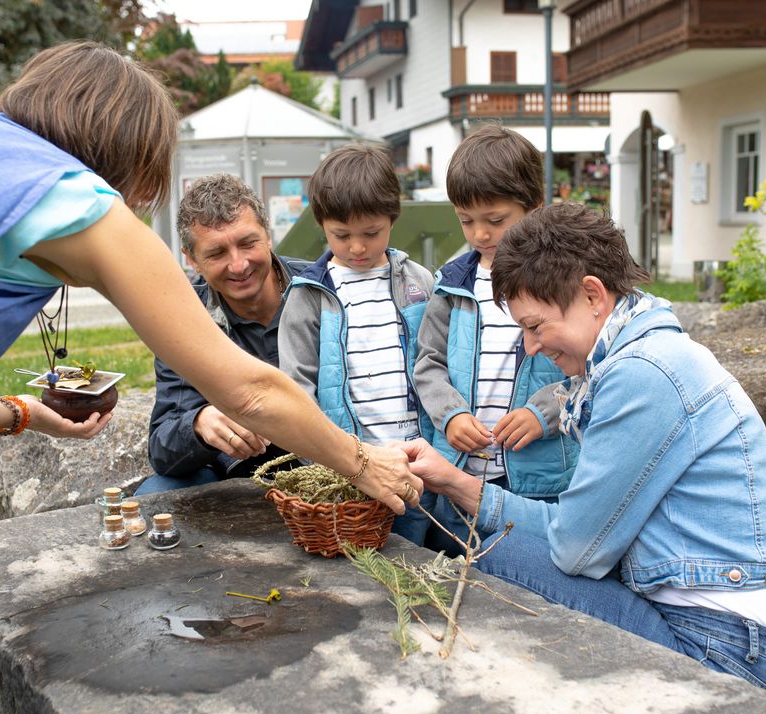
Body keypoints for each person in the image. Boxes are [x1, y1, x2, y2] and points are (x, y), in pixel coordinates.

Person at [0, 41, 421, 714]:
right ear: (128, 161)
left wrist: (15, 414)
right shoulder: (70, 193)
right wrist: (364, 463)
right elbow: (250, 389)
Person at [403, 203, 766, 702]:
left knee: (502, 557)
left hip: (733, 654)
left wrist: (461, 488)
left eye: (535, 326)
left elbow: (575, 550)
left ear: (592, 294)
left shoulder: (641, 374)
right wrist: (453, 481)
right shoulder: (645, 352)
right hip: (737, 637)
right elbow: (583, 530)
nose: (530, 347)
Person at [414, 124, 577, 554]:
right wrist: (450, 416)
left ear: (535, 207)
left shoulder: (561, 284)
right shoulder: (451, 287)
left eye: (496, 220)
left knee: (528, 576)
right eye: (466, 221)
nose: (480, 234)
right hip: (460, 469)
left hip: (538, 480)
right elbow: (428, 364)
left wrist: (544, 413)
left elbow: (591, 369)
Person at [278, 143, 434, 541]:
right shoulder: (309, 295)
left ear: (393, 219)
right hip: (349, 475)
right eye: (342, 235)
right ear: (321, 224)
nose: (358, 247)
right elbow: (297, 388)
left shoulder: (419, 282)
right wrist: (328, 462)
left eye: (371, 233)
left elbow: (438, 363)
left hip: (418, 465)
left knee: (417, 557)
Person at [136, 174, 309, 493]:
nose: (238, 265)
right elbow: (162, 450)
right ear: (192, 260)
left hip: (328, 464)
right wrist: (199, 425)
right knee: (156, 493)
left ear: (267, 235)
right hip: (233, 474)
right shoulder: (182, 316)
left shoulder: (322, 289)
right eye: (217, 253)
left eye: (248, 243)